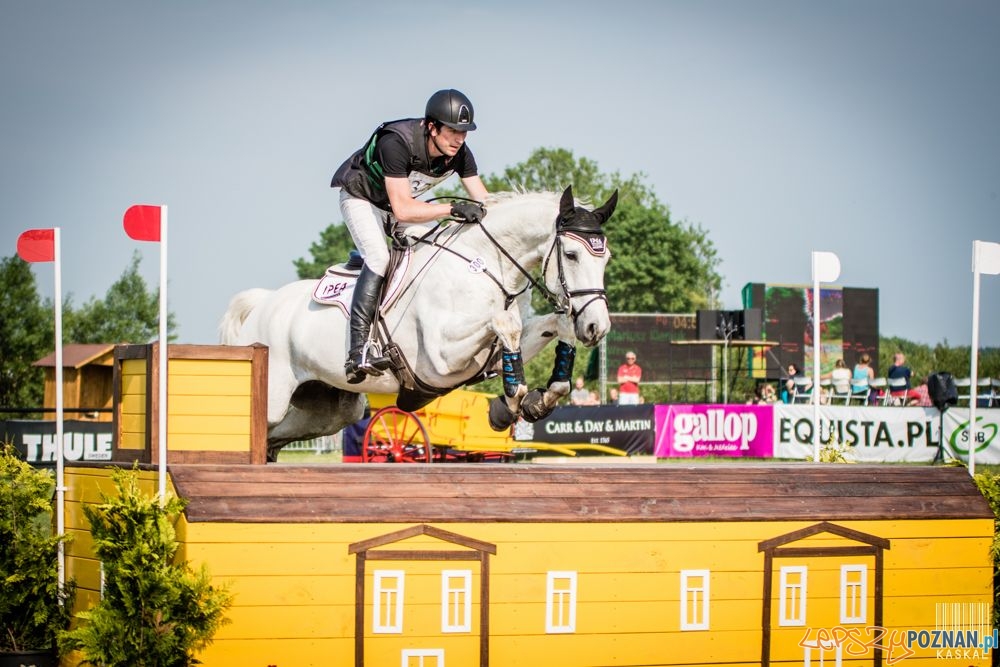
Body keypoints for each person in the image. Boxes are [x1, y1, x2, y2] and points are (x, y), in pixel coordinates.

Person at [331, 89, 489, 383]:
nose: (459, 139)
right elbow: (403, 210)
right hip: (362, 200)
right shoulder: (397, 142)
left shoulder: (460, 155)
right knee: (378, 257)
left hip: (397, 206)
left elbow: (484, 199)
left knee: (441, 248)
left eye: (464, 133)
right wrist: (452, 208)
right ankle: (358, 351)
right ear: (432, 127)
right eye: (453, 131)